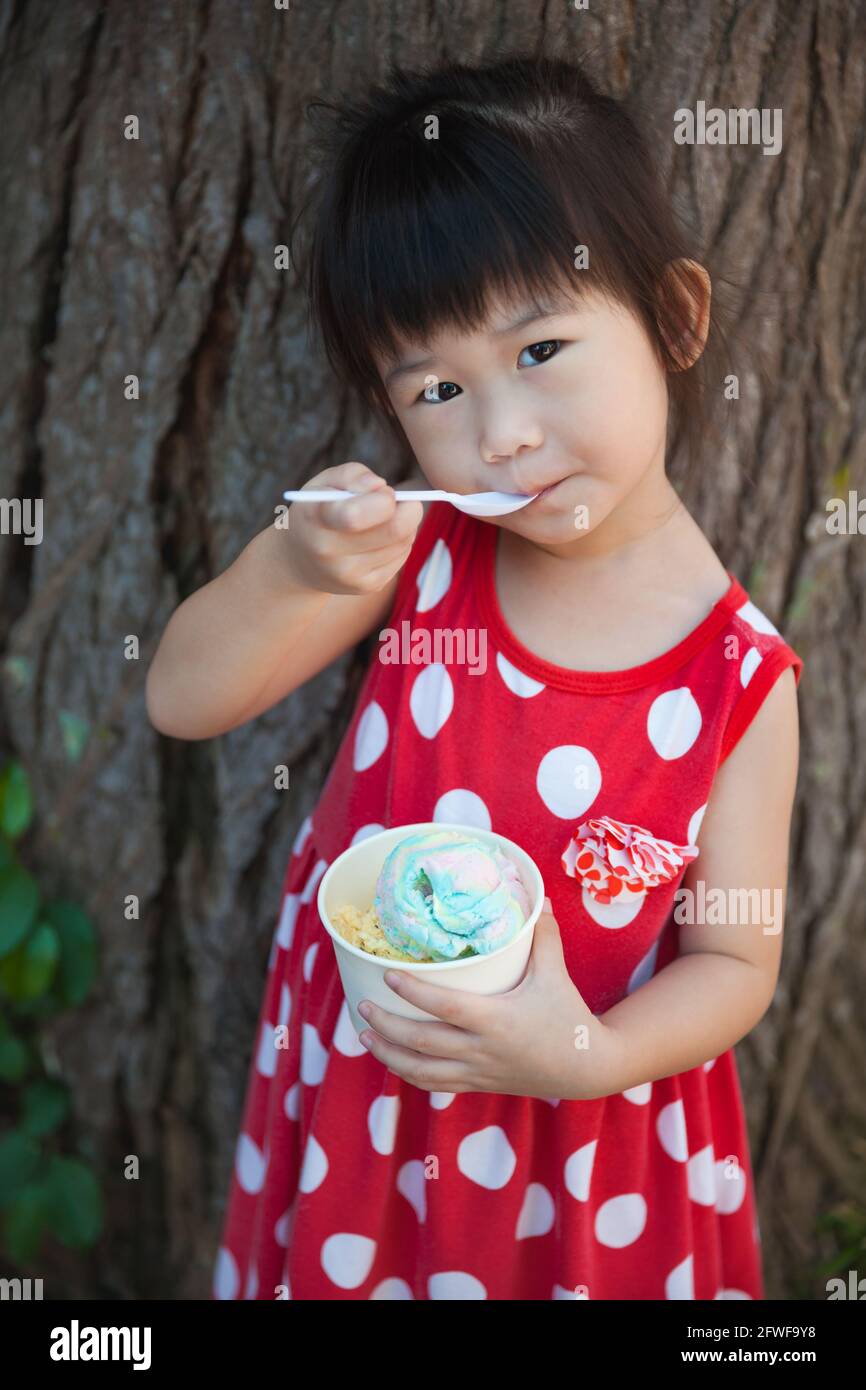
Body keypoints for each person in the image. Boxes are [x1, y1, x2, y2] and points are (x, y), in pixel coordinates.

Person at [146, 54, 804, 1300]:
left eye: (541, 347)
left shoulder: (734, 677)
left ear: (672, 321)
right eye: (436, 388)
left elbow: (735, 961)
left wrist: (587, 1055)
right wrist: (296, 567)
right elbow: (183, 698)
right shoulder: (415, 551)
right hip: (367, 1106)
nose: (497, 431)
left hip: (583, 1149)